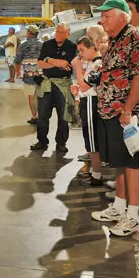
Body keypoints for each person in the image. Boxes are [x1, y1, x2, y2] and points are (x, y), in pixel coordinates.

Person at [89, 0, 139, 237]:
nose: (102, 20)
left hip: (126, 115)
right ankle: (119, 207)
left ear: (123, 16)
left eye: (107, 16)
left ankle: (133, 216)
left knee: (133, 165)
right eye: (102, 16)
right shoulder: (117, 39)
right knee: (120, 163)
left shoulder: (135, 38)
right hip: (112, 111)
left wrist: (128, 109)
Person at [31, 24, 77, 152]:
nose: (58, 34)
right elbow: (40, 64)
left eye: (62, 32)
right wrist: (57, 62)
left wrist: (49, 60)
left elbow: (67, 65)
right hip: (47, 84)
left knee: (63, 116)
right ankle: (42, 141)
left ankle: (61, 143)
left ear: (68, 34)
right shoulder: (47, 45)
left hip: (63, 84)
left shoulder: (71, 46)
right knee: (43, 116)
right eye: (57, 32)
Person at [71, 36, 104, 186]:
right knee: (89, 138)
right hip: (87, 100)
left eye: (82, 50)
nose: (80, 54)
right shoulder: (91, 63)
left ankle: (97, 174)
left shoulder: (98, 63)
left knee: (92, 140)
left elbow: (86, 86)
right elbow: (84, 86)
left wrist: (77, 68)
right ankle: (94, 172)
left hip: (92, 102)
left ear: (92, 48)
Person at [14, 25, 44, 124]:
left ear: (29, 34)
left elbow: (17, 60)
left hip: (28, 75)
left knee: (31, 98)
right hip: (41, 75)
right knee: (40, 97)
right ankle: (41, 116)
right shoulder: (42, 45)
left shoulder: (23, 45)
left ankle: (35, 117)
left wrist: (17, 72)